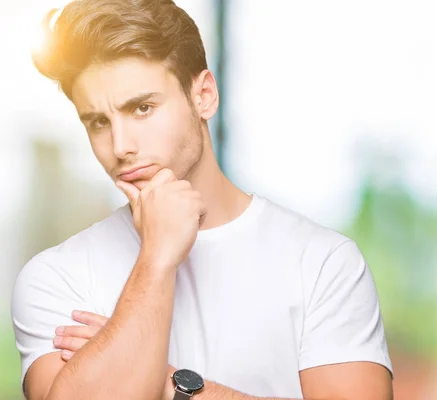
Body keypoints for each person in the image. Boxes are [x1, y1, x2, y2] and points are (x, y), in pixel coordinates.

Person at [10, 0, 394, 399]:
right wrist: (157, 258)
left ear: (204, 96)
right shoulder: (56, 279)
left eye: (142, 108)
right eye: (99, 122)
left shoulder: (322, 263)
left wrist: (172, 384)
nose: (121, 146)